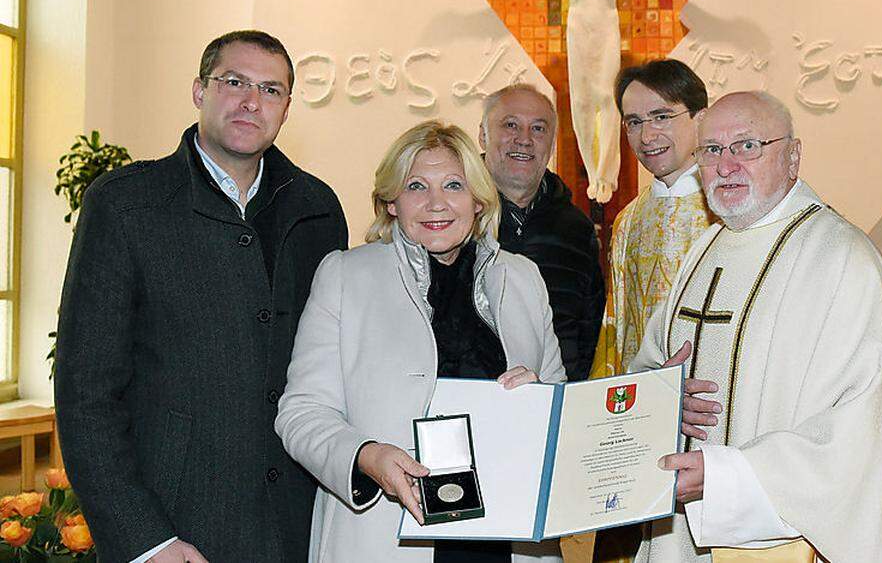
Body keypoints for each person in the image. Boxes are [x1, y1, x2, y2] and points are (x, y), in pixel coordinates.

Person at [54, 30, 348, 563]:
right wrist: (145, 540)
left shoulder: (317, 209)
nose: (251, 101)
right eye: (234, 82)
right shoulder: (125, 205)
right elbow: (85, 393)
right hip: (174, 528)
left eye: (271, 90)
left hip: (296, 527)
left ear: (286, 109)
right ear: (198, 90)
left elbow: (334, 368)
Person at [630, 91, 882, 562]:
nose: (727, 166)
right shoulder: (701, 252)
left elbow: (865, 430)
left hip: (787, 538)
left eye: (748, 146)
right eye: (712, 150)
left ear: (793, 157)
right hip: (679, 531)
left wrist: (730, 476)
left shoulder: (841, 259)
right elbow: (648, 367)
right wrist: (659, 397)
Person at [276, 121, 567, 562]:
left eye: (454, 184)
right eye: (416, 186)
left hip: (509, 539)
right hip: (385, 531)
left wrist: (538, 401)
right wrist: (366, 457)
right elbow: (301, 414)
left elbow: (561, 416)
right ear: (392, 201)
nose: (436, 204)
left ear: (478, 198)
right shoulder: (345, 276)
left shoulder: (524, 278)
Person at [462, 0, 723, 203]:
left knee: (608, 100)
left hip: (607, 30)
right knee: (583, 103)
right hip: (578, 31)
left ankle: (605, 173)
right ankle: (591, 169)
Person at [588, 60, 713, 562]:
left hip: (709, 419)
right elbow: (613, 332)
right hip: (641, 419)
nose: (646, 135)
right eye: (634, 122)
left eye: (661, 116)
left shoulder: (725, 206)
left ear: (700, 119)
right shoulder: (627, 219)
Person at [480, 84, 603, 381]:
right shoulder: (449, 218)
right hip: (468, 401)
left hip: (553, 399)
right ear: (483, 135)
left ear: (552, 143)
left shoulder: (576, 228)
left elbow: (589, 331)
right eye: (510, 125)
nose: (524, 140)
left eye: (538, 129)